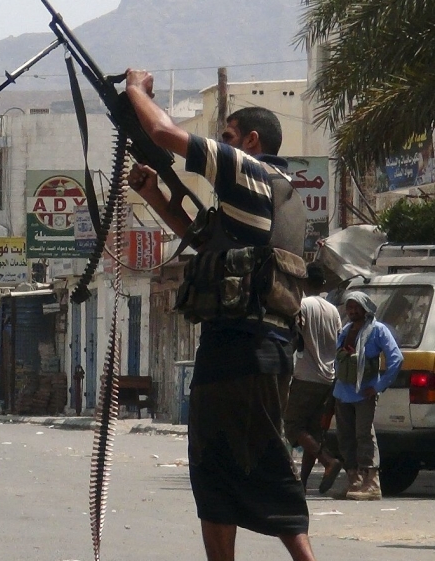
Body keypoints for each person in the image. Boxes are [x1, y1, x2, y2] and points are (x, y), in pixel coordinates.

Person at [125, 69, 316, 560]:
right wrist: (153, 195)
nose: (219, 143)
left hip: (240, 346)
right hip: (260, 349)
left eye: (226, 135)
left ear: (250, 141)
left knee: (225, 471)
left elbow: (165, 134)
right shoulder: (280, 193)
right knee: (246, 467)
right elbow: (204, 241)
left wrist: (134, 91)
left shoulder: (246, 170)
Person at [333, 291, 403, 500]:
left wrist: (379, 385)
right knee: (345, 438)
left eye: (356, 307)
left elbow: (396, 359)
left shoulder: (378, 330)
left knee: (364, 435)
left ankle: (372, 483)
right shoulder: (345, 330)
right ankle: (354, 482)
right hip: (342, 393)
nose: (352, 311)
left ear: (365, 309)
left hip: (364, 393)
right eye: (349, 307)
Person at [284, 263, 342, 493]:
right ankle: (303, 483)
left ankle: (328, 461)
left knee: (292, 426)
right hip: (329, 378)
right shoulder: (333, 310)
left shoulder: (303, 305)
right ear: (323, 283)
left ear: (305, 282)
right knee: (313, 431)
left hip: (307, 375)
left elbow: (296, 338)